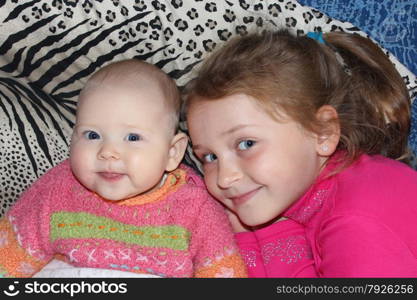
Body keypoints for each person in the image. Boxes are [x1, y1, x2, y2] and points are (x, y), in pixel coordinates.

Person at [185, 29, 417, 277]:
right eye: (210, 157)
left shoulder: (355, 221)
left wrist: (273, 237)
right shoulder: (304, 194)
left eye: (246, 144)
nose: (224, 177)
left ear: (323, 133)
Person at [0, 59, 247, 278]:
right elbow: (9, 255)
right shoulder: (56, 190)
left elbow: (222, 270)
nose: (108, 151)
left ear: (172, 153)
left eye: (132, 138)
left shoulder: (195, 207)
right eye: (92, 134)